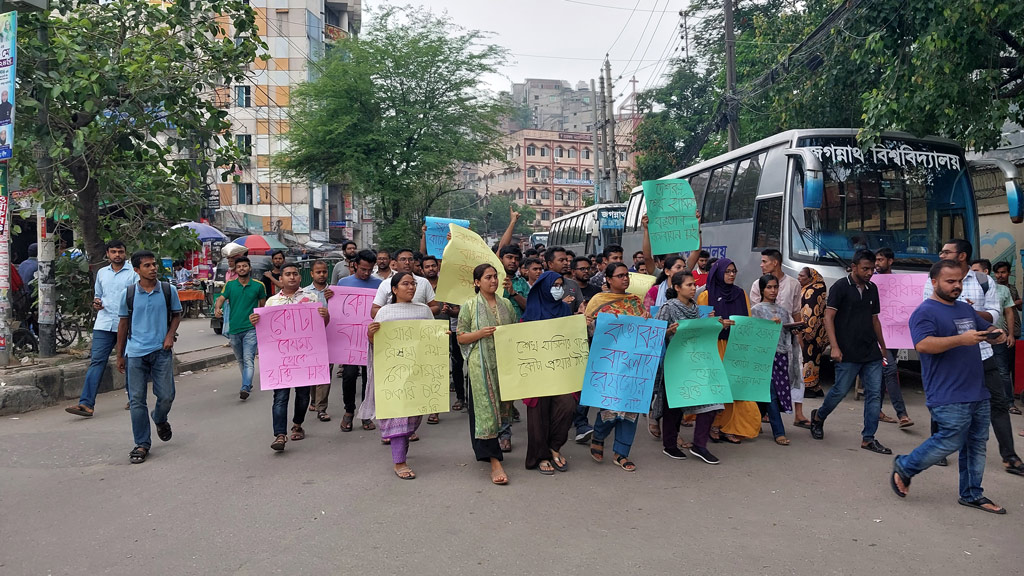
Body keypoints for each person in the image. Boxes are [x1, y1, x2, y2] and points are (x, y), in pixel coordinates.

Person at [891, 260, 1007, 514]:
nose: (956, 286)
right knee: (950, 440)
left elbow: (984, 327)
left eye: (959, 281)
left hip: (977, 390)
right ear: (934, 282)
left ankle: (971, 493)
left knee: (976, 444)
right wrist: (961, 340)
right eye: (950, 281)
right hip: (947, 392)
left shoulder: (964, 310)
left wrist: (996, 332)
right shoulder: (924, 312)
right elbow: (923, 345)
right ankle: (905, 466)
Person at [923, 240, 1024, 475]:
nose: (942, 254)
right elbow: (930, 312)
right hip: (951, 355)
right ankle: (939, 450)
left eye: (947, 251)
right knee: (944, 400)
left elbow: (993, 314)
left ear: (962, 256)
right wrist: (957, 312)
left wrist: (968, 312)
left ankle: (1009, 456)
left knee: (998, 402)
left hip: (982, 353)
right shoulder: (935, 281)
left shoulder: (983, 281)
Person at [810, 249, 891, 454]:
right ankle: (818, 417)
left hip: (871, 351)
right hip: (846, 351)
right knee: (839, 391)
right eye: (865, 268)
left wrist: (883, 346)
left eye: (872, 269)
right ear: (853, 267)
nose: (869, 273)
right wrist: (835, 347)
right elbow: (828, 318)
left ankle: (868, 438)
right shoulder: (840, 287)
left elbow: (875, 320)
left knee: (874, 395)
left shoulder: (872, 288)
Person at [250, 263, 329, 451]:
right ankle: (280, 434)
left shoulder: (311, 299)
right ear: (282, 278)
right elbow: (265, 331)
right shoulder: (272, 302)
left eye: (295, 274)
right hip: (281, 361)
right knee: (280, 397)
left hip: (304, 358)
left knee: (302, 396)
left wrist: (325, 316)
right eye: (287, 274)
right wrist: (255, 322)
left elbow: (323, 326)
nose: (292, 277)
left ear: (300, 277)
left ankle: (298, 424)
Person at [359, 273, 430, 479]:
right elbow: (376, 346)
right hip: (394, 374)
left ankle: (402, 448)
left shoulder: (424, 310)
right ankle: (399, 462)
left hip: (417, 373)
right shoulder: (385, 313)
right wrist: (371, 335)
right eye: (405, 284)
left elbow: (431, 339)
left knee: (414, 415)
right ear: (394, 289)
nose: (411, 287)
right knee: (398, 415)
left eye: (413, 284)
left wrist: (441, 337)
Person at [116, 250, 183, 464]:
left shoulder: (167, 290)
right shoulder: (128, 294)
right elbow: (123, 325)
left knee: (166, 396)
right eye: (147, 265)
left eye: (154, 264)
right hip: (135, 353)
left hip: (161, 352)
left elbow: (176, 314)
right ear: (136, 270)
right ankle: (142, 444)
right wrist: (120, 355)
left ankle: (160, 418)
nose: (153, 268)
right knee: (136, 401)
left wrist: (170, 335)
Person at [458, 264, 518, 485]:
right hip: (480, 366)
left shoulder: (506, 305)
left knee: (503, 407)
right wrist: (479, 334)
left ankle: (493, 447)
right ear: (477, 282)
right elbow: (460, 337)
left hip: (502, 364)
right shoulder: (469, 306)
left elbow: (513, 332)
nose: (493, 281)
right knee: (485, 411)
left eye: (495, 277)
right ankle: (495, 461)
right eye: (487, 277)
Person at [585, 262, 648, 472]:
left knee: (631, 407)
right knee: (611, 406)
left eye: (626, 275)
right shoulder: (598, 301)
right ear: (609, 280)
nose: (625, 279)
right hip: (609, 362)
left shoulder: (636, 302)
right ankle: (599, 434)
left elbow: (645, 331)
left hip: (634, 364)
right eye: (620, 276)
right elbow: (592, 331)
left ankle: (621, 452)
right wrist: (590, 323)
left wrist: (647, 321)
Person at [65, 240, 138, 417]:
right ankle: (86, 404)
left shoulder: (134, 274)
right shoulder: (102, 273)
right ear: (107, 254)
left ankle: (135, 399)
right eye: (113, 252)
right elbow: (98, 295)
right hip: (104, 323)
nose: (117, 255)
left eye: (120, 251)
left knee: (130, 362)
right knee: (97, 362)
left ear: (125, 253)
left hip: (128, 323)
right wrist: (96, 303)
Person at [656, 270, 722, 464]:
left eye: (694, 284)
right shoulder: (668, 308)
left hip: (697, 362)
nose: (694, 288)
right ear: (677, 288)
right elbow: (653, 334)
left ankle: (700, 445)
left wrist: (714, 324)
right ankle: (670, 445)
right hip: (676, 364)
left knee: (711, 401)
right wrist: (668, 331)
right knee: (673, 406)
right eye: (689, 285)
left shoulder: (698, 309)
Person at [521, 270, 576, 475]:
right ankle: (541, 455)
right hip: (537, 373)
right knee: (538, 415)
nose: (558, 289)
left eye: (561, 285)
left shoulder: (564, 310)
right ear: (544, 288)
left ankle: (555, 447)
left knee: (567, 406)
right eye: (555, 285)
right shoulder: (531, 314)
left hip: (561, 371)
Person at [697, 258, 758, 443]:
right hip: (714, 347)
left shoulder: (740, 294)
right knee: (717, 389)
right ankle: (713, 425)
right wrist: (717, 323)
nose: (732, 274)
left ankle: (729, 426)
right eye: (728, 271)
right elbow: (701, 326)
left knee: (735, 389)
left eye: (734, 271)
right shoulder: (706, 296)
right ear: (718, 273)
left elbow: (746, 319)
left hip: (735, 347)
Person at [749, 249, 809, 429]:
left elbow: (796, 311)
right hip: (765, 350)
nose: (761, 264)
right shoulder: (756, 293)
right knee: (770, 388)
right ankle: (777, 429)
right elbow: (756, 319)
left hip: (786, 344)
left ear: (775, 262)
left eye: (764, 261)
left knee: (793, 376)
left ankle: (796, 414)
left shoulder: (793, 284)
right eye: (769, 288)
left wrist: (798, 333)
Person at [751, 274, 801, 446]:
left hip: (781, 355)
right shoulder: (756, 310)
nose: (773, 291)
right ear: (762, 290)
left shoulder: (783, 311)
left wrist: (792, 331)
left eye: (775, 287)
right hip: (764, 356)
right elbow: (754, 334)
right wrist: (768, 326)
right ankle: (778, 431)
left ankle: (753, 423)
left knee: (769, 393)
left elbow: (785, 333)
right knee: (771, 392)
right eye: (769, 287)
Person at [337, 250, 382, 432]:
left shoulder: (379, 284)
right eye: (363, 269)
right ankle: (349, 410)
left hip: (371, 337)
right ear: (355, 265)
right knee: (348, 376)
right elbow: (336, 307)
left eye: (369, 270)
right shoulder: (343, 283)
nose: (366, 273)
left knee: (368, 377)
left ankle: (366, 413)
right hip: (350, 339)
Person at [214, 256, 267, 400]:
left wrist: (260, 322)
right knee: (241, 360)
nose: (242, 268)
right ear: (236, 270)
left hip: (251, 328)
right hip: (234, 329)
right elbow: (221, 298)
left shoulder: (259, 285)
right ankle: (247, 383)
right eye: (239, 266)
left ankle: (245, 387)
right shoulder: (230, 285)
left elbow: (262, 306)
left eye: (245, 266)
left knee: (248, 358)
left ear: (249, 268)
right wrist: (217, 308)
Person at [971, 259, 1018, 418]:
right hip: (977, 337)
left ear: (985, 273)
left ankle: (1009, 403)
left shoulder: (1002, 290)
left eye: (975, 271)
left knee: (1002, 370)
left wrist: (1010, 334)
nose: (971, 274)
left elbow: (1009, 312)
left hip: (996, 336)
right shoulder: (967, 289)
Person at [421, 255, 465, 423]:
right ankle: (434, 407)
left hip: (450, 329)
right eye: (427, 266)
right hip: (427, 331)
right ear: (422, 269)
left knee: (457, 364)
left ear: (437, 267)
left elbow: (458, 310)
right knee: (434, 370)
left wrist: (450, 311)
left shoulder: (448, 285)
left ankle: (461, 397)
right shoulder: (417, 286)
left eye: (433, 266)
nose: (431, 269)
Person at [874, 247, 914, 427]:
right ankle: (902, 414)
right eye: (876, 260)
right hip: (876, 335)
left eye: (881, 260)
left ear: (890, 261)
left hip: (894, 335)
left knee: (884, 373)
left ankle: (876, 410)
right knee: (890, 370)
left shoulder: (900, 282)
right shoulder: (871, 280)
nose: (877, 263)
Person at [302, 260, 334, 420]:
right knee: (312, 372)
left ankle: (322, 408)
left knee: (325, 372)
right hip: (310, 340)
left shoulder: (334, 292)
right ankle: (314, 400)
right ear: (312, 274)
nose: (322, 275)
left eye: (324, 272)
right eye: (318, 272)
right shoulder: (304, 293)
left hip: (331, 337)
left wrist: (334, 299)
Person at [370, 249, 438, 318]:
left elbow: (435, 307)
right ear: (395, 263)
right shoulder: (386, 283)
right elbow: (374, 312)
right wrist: (398, 314)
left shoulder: (423, 282)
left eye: (410, 259)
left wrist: (419, 313)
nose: (407, 262)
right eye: (403, 259)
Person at [992, 260, 1021, 412]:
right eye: (997, 272)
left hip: (1011, 332)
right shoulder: (991, 289)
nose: (1000, 275)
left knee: (1007, 368)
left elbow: (1013, 310)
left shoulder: (1010, 289)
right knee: (1000, 368)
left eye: (1003, 272)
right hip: (997, 333)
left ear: (1009, 273)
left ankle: (1009, 401)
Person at [798, 267, 828, 400]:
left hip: (810, 332)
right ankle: (815, 387)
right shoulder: (817, 287)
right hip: (817, 332)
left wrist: (806, 331)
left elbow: (810, 312)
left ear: (811, 277)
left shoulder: (813, 290)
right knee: (814, 359)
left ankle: (808, 387)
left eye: (802, 276)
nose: (799, 278)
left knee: (808, 359)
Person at [499, 246, 527, 315]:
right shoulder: (494, 281)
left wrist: (514, 293)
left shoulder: (522, 282)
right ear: (501, 259)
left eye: (517, 259)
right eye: (509, 257)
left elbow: (528, 307)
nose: (513, 261)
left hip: (519, 324)